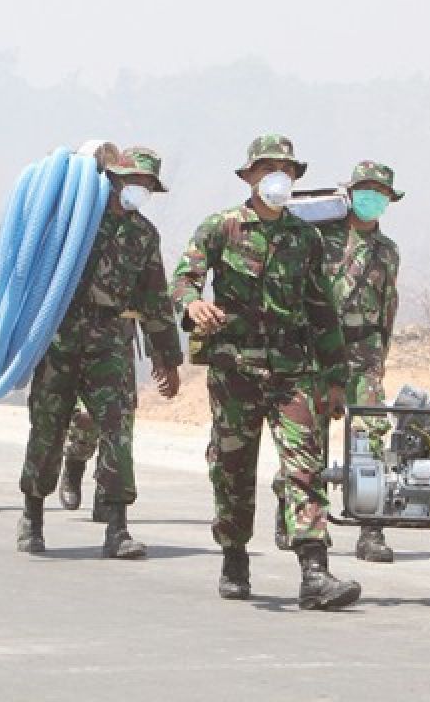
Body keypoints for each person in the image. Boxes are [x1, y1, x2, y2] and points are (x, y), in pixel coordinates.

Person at [171, 133, 360, 610]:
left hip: (292, 372)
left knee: (304, 466)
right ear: (249, 176)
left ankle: (314, 570)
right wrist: (192, 304)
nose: (276, 177)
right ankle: (234, 556)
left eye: (285, 170)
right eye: (266, 169)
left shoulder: (305, 238)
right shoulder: (221, 227)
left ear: (295, 179)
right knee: (232, 469)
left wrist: (336, 379)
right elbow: (184, 277)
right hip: (235, 370)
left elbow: (323, 311)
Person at [18, 146, 182, 559]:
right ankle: (32, 515)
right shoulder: (74, 221)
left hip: (111, 336)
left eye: (146, 184)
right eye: (133, 181)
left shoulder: (144, 235)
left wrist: (167, 357)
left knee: (117, 428)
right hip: (61, 332)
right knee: (48, 424)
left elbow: (155, 299)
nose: (138, 189)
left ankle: (117, 526)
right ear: (113, 179)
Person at [314, 160, 403, 562]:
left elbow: (387, 307)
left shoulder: (387, 251)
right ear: (349, 193)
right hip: (319, 349)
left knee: (370, 436)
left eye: (380, 193)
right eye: (365, 190)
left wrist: (380, 357)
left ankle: (371, 528)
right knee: (307, 434)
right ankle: (301, 517)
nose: (372, 198)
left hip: (364, 353)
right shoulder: (321, 238)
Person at [58, 317, 150, 523]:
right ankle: (75, 460)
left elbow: (151, 298)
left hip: (120, 341)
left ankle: (106, 497)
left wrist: (163, 352)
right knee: (86, 417)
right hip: (81, 337)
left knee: (119, 421)